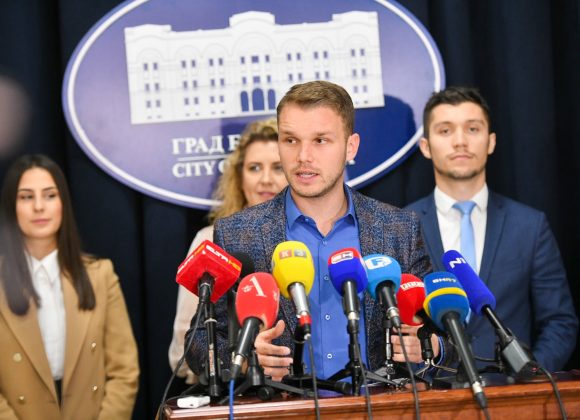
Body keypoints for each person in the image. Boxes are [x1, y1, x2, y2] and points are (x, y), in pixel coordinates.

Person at [185, 80, 453, 382]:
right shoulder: (237, 234)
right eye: (290, 140)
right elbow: (198, 344)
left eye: (320, 140)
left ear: (350, 147)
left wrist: (431, 346)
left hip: (377, 403)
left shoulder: (398, 229)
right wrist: (244, 359)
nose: (303, 156)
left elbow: (449, 336)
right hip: (285, 405)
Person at [405, 86, 578, 372]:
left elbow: (560, 322)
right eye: (445, 131)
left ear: (491, 141)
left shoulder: (530, 226)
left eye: (472, 129)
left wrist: (530, 377)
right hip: (433, 391)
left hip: (515, 392)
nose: (460, 141)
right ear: (425, 146)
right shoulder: (404, 225)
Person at [0, 154, 139, 419]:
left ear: (63, 202)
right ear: (10, 205)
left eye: (50, 195)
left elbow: (124, 371)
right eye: (26, 197)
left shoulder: (100, 275)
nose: (39, 207)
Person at [168, 117, 288, 383]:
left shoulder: (305, 240)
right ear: (239, 177)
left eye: (278, 167)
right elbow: (183, 350)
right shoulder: (211, 240)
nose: (265, 179)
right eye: (254, 168)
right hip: (232, 391)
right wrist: (240, 364)